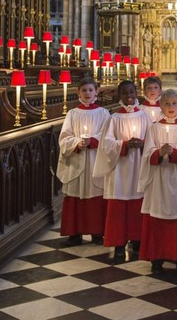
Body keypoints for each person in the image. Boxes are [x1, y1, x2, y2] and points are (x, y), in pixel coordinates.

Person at [138, 89, 177, 273]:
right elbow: (147, 154)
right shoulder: (155, 128)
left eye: (174, 103)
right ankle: (157, 258)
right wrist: (159, 153)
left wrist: (175, 153)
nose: (171, 107)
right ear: (160, 106)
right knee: (157, 217)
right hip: (159, 180)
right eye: (167, 103)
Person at [93, 80, 153, 259]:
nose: (129, 96)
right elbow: (106, 144)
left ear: (137, 93)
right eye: (125, 92)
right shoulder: (114, 118)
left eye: (132, 92)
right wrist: (125, 145)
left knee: (138, 203)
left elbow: (153, 138)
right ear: (119, 95)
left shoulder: (144, 116)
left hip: (139, 165)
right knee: (118, 206)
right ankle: (119, 243)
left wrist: (143, 144)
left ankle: (138, 239)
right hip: (119, 168)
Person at [56, 77, 110, 246]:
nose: (87, 93)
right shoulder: (72, 114)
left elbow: (107, 135)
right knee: (75, 195)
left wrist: (93, 141)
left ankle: (97, 232)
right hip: (77, 159)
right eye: (84, 90)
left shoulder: (103, 113)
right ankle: (74, 233)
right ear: (78, 92)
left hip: (95, 160)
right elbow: (65, 137)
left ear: (97, 92)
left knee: (96, 194)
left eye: (90, 90)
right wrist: (77, 143)